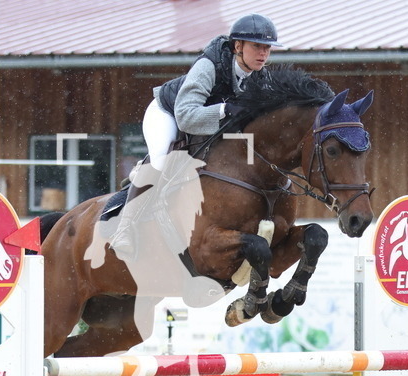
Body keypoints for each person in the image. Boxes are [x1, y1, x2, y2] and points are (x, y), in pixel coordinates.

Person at [109, 14, 282, 257]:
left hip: (209, 123)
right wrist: (224, 109)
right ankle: (124, 228)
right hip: (169, 112)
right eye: (257, 47)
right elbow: (186, 117)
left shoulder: (261, 77)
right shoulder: (210, 65)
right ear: (238, 46)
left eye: (267, 48)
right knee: (161, 161)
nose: (263, 54)